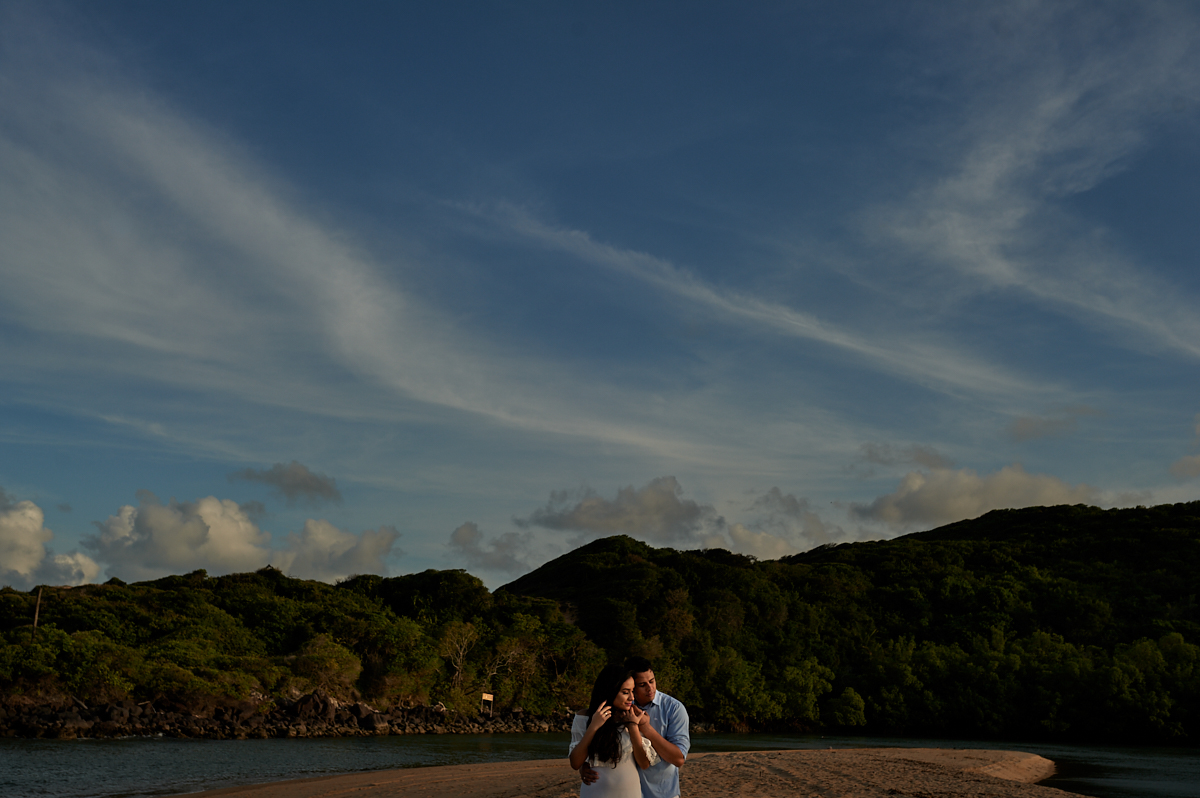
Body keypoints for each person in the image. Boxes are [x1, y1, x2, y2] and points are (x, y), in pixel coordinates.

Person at [580, 657, 690, 798]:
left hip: (662, 793)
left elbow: (679, 759)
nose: (650, 688)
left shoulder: (673, 708)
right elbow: (600, 745)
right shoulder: (618, 709)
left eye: (652, 681)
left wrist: (646, 727)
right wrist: (584, 765)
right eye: (642, 684)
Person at [569, 665, 660, 797]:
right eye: (625, 692)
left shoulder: (634, 715)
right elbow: (575, 763)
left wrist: (633, 726)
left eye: (632, 691)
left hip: (629, 793)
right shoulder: (584, 717)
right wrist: (594, 726)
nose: (631, 698)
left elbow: (644, 763)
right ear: (610, 691)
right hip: (594, 793)